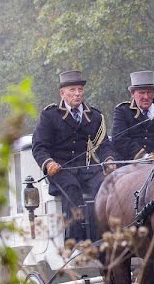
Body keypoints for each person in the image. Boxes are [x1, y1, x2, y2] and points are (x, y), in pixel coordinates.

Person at [32, 70, 116, 242]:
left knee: (104, 185)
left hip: (87, 168)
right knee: (71, 188)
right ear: (62, 93)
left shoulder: (95, 116)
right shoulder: (49, 115)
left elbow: (104, 145)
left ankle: (100, 238)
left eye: (80, 90)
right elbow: (39, 147)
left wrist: (109, 160)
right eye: (72, 90)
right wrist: (49, 164)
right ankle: (74, 240)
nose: (77, 94)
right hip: (61, 170)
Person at [111, 70, 154, 163]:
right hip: (130, 165)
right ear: (132, 93)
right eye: (141, 93)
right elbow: (119, 140)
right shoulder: (122, 111)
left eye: (149, 92)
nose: (146, 97)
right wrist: (144, 156)